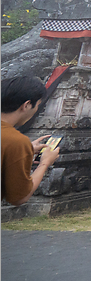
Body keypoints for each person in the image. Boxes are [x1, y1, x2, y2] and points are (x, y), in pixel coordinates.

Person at [1, 76, 61, 206]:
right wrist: (44, 163)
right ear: (27, 105)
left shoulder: (15, 143)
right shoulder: (16, 141)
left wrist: (25, 151)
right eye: (37, 106)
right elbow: (18, 198)